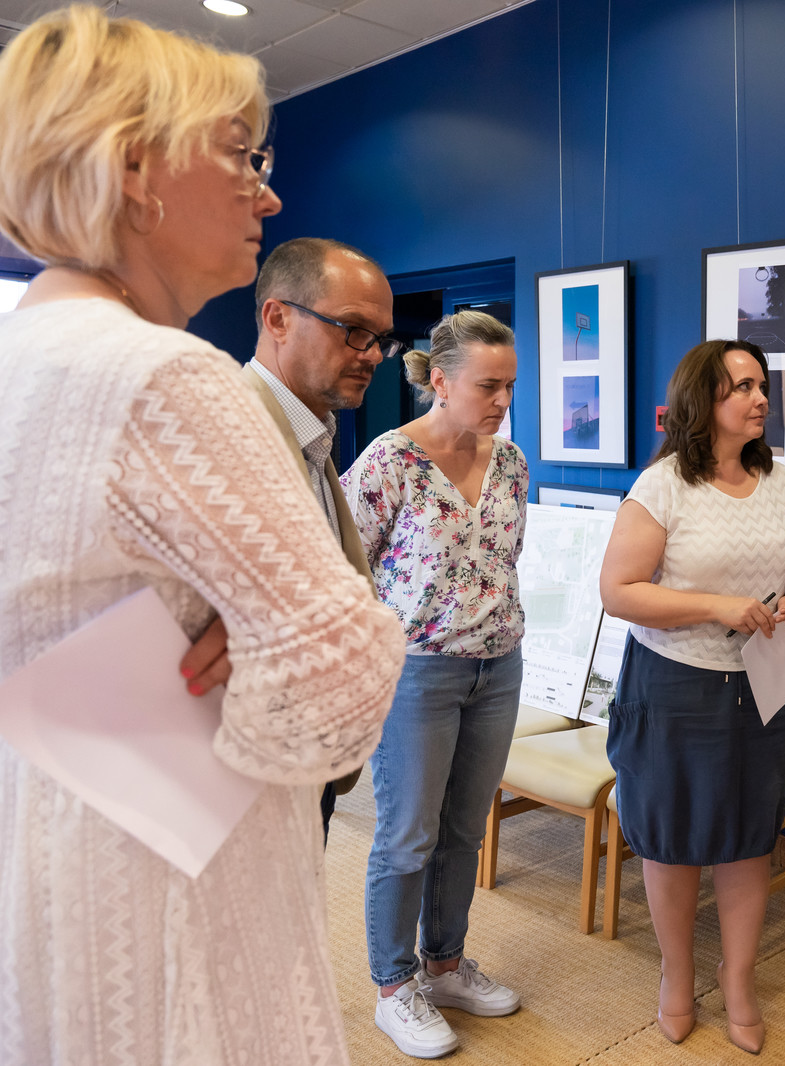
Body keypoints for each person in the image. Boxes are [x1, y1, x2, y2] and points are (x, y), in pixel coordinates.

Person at [0, 7, 406, 1065]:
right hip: (174, 863)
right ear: (134, 166)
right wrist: (259, 660)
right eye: (240, 155)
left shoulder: (19, 357)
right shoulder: (161, 374)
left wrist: (254, 633)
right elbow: (343, 678)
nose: (267, 194)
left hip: (46, 842)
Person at [598, 339, 785, 1056]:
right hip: (676, 682)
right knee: (675, 839)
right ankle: (677, 974)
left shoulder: (780, 479)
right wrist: (717, 606)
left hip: (762, 680)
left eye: (761, 385)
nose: (759, 398)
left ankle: (738, 976)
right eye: (741, 386)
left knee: (750, 835)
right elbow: (619, 591)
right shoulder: (662, 486)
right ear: (702, 399)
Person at [343, 309, 528, 1059]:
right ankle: (394, 988)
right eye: (488, 386)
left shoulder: (510, 462)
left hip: (499, 665)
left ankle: (445, 967)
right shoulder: (389, 462)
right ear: (441, 381)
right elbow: (342, 566)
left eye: (510, 385)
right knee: (408, 836)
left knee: (463, 829)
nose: (502, 401)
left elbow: (504, 561)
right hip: (417, 673)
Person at [248, 236, 400, 840]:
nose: (373, 354)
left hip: (310, 760)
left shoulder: (313, 441)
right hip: (254, 773)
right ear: (278, 319)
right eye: (354, 330)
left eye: (381, 338)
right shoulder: (232, 437)